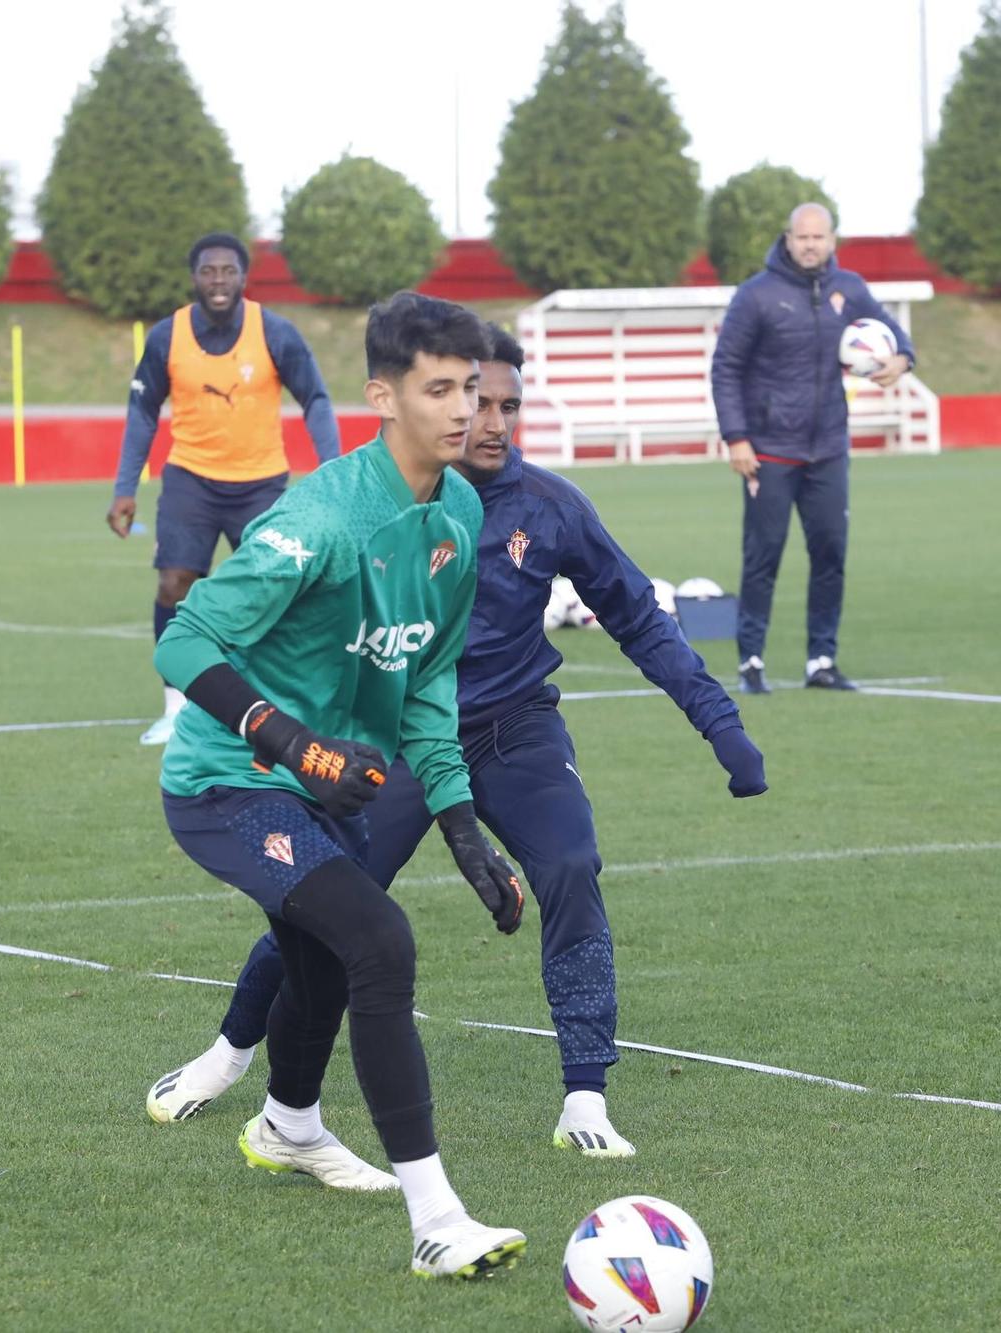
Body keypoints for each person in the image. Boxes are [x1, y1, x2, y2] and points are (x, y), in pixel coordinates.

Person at [147, 327, 768, 1158]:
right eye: (474, 399)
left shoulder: (547, 506)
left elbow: (633, 613)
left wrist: (718, 722)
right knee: (333, 902)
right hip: (396, 740)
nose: (491, 420)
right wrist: (292, 738)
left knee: (572, 864)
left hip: (515, 730)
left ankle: (585, 1095)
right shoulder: (375, 505)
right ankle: (229, 1054)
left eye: (508, 404)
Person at [153, 292, 525, 1279]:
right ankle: (437, 1219)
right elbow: (184, 637)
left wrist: (458, 825)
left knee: (317, 965)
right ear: (380, 395)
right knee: (376, 941)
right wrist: (291, 740)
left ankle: (286, 1124)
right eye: (438, 389)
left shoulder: (458, 508)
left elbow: (428, 676)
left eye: (472, 389)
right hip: (227, 782)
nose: (462, 410)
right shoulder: (317, 516)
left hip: (325, 790)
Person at [106, 232, 341, 746]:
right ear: (194, 278)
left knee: (275, 594)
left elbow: (317, 400)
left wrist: (333, 470)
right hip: (191, 480)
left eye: (228, 271)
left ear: (243, 276)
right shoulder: (168, 337)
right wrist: (126, 488)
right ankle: (176, 707)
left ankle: (281, 703)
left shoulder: (274, 332)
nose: (218, 280)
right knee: (175, 585)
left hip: (261, 485)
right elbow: (142, 413)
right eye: (208, 271)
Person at [711, 202, 915, 695]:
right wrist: (737, 437)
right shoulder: (756, 296)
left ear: (832, 241)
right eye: (802, 237)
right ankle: (751, 661)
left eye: (819, 238)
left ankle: (821, 659)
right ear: (787, 238)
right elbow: (726, 369)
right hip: (770, 451)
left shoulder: (850, 289)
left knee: (830, 553)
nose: (810, 245)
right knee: (763, 556)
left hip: (828, 449)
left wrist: (901, 360)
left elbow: (896, 334)